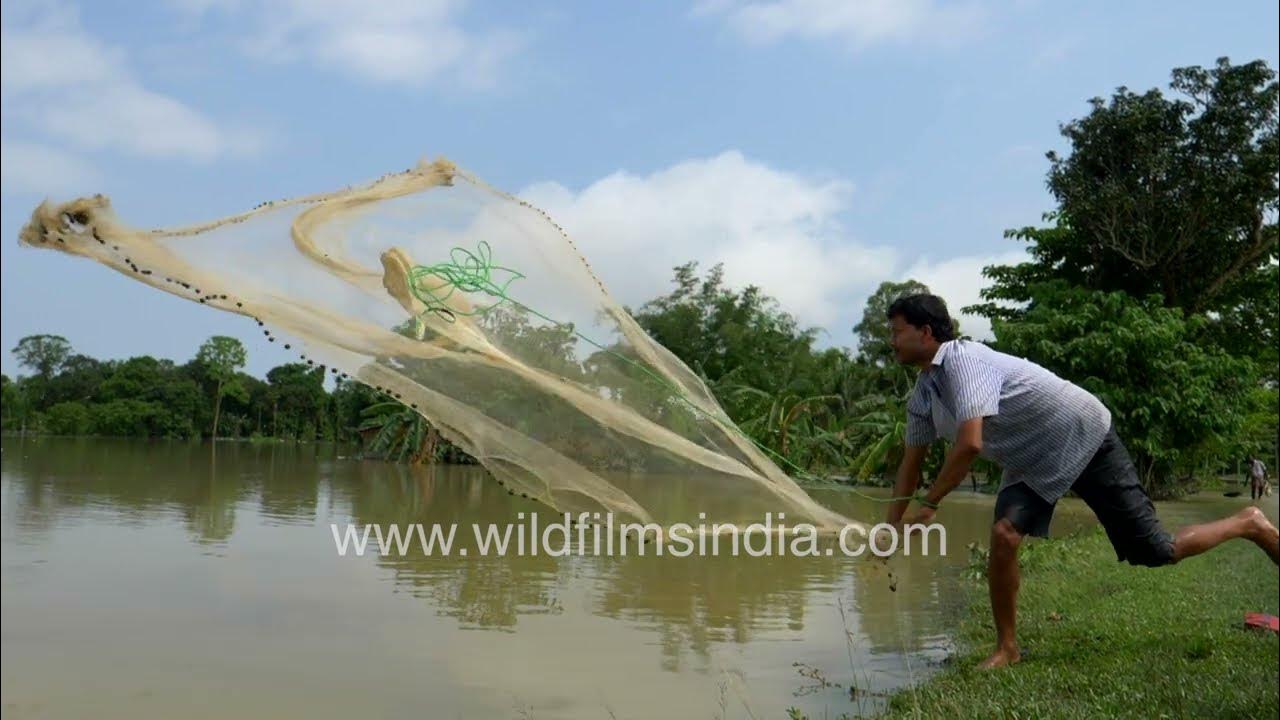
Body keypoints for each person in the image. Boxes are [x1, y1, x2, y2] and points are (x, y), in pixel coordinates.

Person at [882, 294, 1280, 670]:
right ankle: (1008, 648)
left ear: (927, 333)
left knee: (1155, 550)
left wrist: (931, 504)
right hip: (1034, 458)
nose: (891, 341)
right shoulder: (923, 395)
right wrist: (889, 527)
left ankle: (1248, 523)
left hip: (1083, 434)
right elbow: (910, 465)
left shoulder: (964, 361)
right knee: (1004, 536)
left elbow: (969, 443)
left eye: (897, 331)